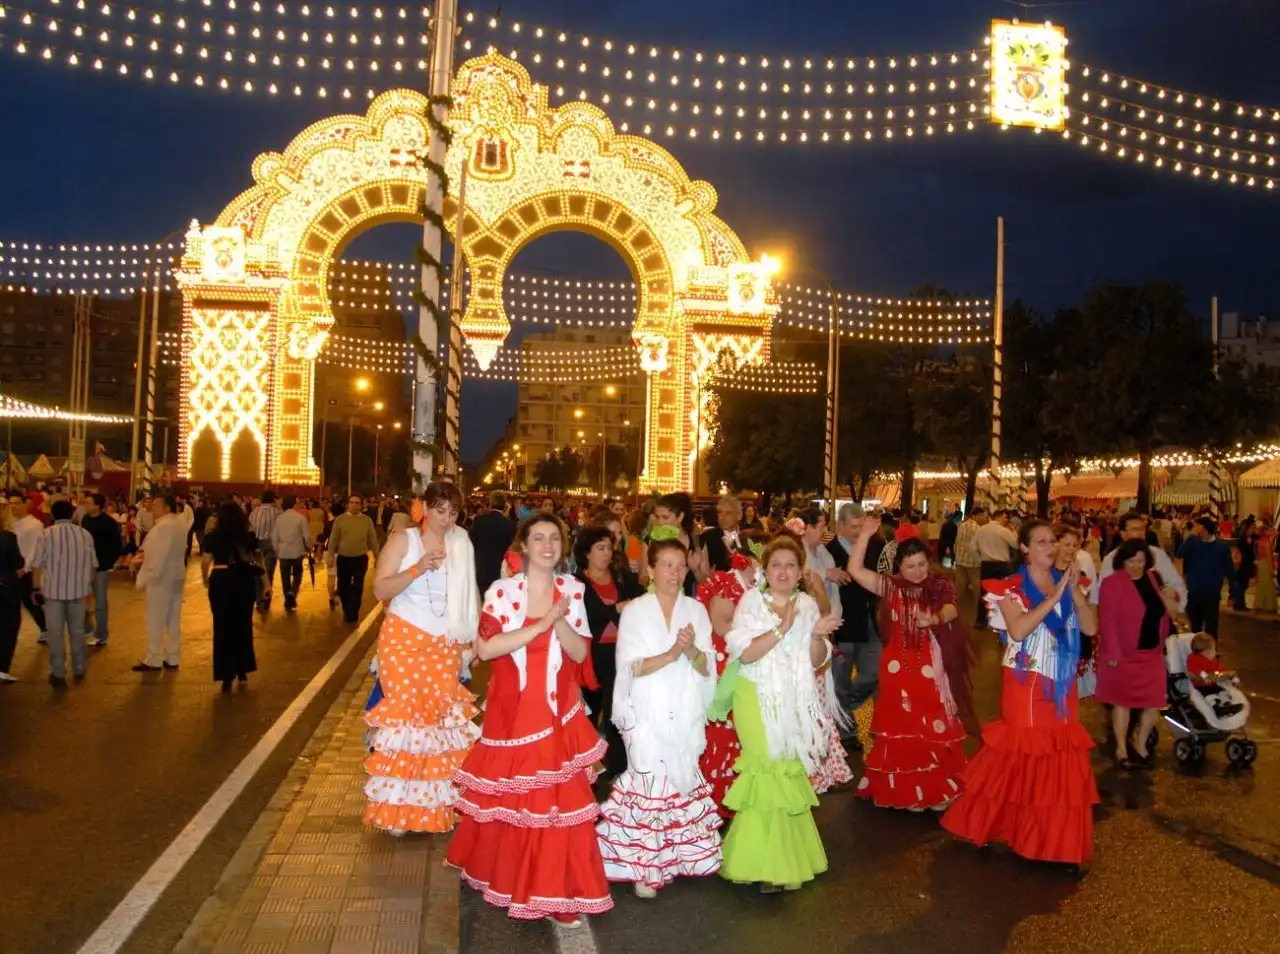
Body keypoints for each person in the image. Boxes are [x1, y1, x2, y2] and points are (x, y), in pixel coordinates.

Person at [446, 513, 612, 928]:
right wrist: (540, 624)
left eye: (554, 538)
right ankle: (514, 881)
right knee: (519, 806)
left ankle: (555, 890)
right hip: (514, 714)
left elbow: (578, 654)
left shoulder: (573, 590)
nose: (547, 545)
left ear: (563, 546)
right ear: (524, 544)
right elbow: (485, 648)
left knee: (560, 807)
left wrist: (559, 621)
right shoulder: (502, 593)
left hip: (559, 715)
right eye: (538, 537)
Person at [941, 519, 1099, 871]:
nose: (1050, 547)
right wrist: (1053, 599)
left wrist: (1071, 592)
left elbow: (1090, 628)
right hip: (1026, 684)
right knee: (1027, 756)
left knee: (1061, 757)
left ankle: (1055, 841)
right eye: (1040, 541)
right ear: (1024, 548)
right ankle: (1016, 830)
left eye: (1052, 541)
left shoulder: (1070, 583)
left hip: (1061, 683)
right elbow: (1018, 627)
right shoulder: (1009, 587)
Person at [596, 538, 722, 899]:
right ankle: (643, 866)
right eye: (666, 564)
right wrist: (671, 654)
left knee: (678, 779)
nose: (675, 572)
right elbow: (629, 666)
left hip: (684, 708)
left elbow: (706, 666)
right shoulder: (635, 610)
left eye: (680, 565)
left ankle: (679, 857)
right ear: (650, 570)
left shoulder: (697, 610)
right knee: (648, 781)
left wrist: (692, 650)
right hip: (645, 709)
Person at [719, 536, 842, 893]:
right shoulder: (750, 603)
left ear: (800, 570)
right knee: (766, 766)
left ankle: (782, 858)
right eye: (776, 565)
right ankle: (764, 864)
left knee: (784, 770)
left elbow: (815, 661)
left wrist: (817, 636)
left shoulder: (806, 604)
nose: (783, 571)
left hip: (792, 700)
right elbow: (747, 654)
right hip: (754, 697)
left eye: (790, 565)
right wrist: (782, 628)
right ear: (765, 570)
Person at [365, 481, 480, 834]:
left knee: (437, 725)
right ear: (425, 508)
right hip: (402, 642)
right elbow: (380, 589)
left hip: (444, 643)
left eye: (454, 512)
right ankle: (397, 811)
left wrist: (473, 639)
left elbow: (470, 592)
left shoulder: (461, 543)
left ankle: (431, 807)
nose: (447, 519)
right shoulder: (405, 540)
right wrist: (418, 568)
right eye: (440, 510)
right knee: (406, 725)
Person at [843, 515, 973, 811]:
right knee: (901, 725)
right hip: (896, 668)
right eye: (910, 566)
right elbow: (854, 569)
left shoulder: (939, 585)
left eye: (922, 565)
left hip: (929, 665)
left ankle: (934, 785)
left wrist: (935, 618)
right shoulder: (890, 587)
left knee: (930, 723)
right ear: (899, 567)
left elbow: (953, 609)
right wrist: (864, 535)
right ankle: (906, 787)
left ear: (930, 561)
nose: (917, 572)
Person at [1097, 539, 1180, 770]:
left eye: (1141, 560)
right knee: (1121, 702)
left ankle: (1141, 744)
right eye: (1131, 561)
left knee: (1155, 702)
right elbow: (1107, 619)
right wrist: (1112, 650)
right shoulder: (1112, 583)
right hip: (1124, 653)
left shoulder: (1155, 579)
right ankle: (1121, 748)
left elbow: (1171, 606)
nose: (1136, 565)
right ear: (1122, 561)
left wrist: (1173, 596)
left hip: (1151, 652)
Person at [575, 525, 645, 787]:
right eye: (600, 548)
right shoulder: (578, 583)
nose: (606, 553)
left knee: (615, 709)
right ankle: (586, 764)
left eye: (609, 548)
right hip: (590, 656)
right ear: (586, 552)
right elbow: (590, 616)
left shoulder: (621, 577)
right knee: (587, 714)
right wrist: (617, 608)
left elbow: (641, 598)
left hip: (621, 653)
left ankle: (618, 764)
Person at [695, 550, 756, 817]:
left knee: (741, 733)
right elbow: (721, 626)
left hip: (743, 660)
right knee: (722, 732)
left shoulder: (756, 588)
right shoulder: (725, 584)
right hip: (724, 662)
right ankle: (715, 801)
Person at [826, 503, 884, 750]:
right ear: (840, 525)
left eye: (862, 527)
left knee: (873, 674)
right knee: (840, 680)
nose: (859, 531)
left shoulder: (874, 546)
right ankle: (846, 730)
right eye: (854, 527)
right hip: (842, 627)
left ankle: (847, 706)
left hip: (870, 622)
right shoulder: (828, 552)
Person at [28, 498, 97, 689]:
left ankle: (58, 673)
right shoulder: (85, 535)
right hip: (78, 593)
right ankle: (79, 668)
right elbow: (92, 566)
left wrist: (35, 588)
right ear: (71, 514)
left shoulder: (46, 535)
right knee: (77, 632)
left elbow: (36, 565)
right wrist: (87, 586)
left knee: (56, 634)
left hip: (53, 593)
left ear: (53, 515)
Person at [201, 503, 260, 692]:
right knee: (243, 625)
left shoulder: (213, 537)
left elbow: (205, 561)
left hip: (220, 580)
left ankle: (225, 674)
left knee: (222, 626)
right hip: (243, 581)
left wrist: (205, 579)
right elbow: (255, 559)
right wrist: (265, 583)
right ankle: (242, 668)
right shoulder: (246, 536)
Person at [131, 495, 187, 673]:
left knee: (156, 618)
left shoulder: (163, 527)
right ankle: (173, 656)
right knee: (173, 618)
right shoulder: (179, 524)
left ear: (167, 508)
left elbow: (158, 556)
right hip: (176, 576)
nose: (151, 509)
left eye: (156, 506)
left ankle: (154, 657)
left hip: (161, 577)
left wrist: (147, 574)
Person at [327, 494, 380, 623]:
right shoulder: (340, 520)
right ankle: (346, 607)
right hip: (343, 557)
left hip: (360, 558)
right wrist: (330, 556)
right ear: (348, 504)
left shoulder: (366, 520)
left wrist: (378, 556)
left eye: (357, 503)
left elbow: (373, 539)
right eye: (351, 503)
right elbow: (333, 539)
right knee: (343, 586)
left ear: (361, 505)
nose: (354, 505)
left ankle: (353, 612)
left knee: (357, 586)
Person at [1177, 517, 1234, 638]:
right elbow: (1179, 553)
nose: (1195, 529)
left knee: (1211, 626)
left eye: (1198, 526)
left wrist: (1232, 593)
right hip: (1194, 592)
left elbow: (1229, 570)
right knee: (1194, 625)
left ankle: (1210, 652)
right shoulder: (1193, 543)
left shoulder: (1221, 547)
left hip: (1212, 592)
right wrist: (1191, 536)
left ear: (1204, 529)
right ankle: (1193, 651)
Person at [81, 493, 122, 648]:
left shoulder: (109, 522)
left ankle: (101, 634)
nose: (86, 504)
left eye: (89, 502)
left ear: (98, 505)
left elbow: (117, 545)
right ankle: (88, 630)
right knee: (81, 600)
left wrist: (107, 562)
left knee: (100, 602)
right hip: (85, 566)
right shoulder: (86, 520)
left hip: (101, 568)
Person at [8, 494, 47, 642]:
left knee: (30, 602)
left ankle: (45, 628)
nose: (13, 507)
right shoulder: (9, 522)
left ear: (26, 504)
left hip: (24, 569)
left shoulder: (34, 524)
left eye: (16, 503)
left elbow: (34, 548)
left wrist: (25, 568)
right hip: (8, 568)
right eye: (10, 504)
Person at [973, 510, 1017, 628]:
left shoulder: (981, 530)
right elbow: (1016, 544)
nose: (1006, 520)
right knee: (1005, 593)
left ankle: (981, 621)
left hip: (987, 565)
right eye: (1005, 517)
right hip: (1003, 566)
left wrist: (979, 560)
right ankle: (1004, 620)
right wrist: (1013, 530)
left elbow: (972, 547)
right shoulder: (1004, 531)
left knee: (984, 593)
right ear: (999, 517)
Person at [1185, 633, 1244, 718]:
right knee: (1210, 695)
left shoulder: (1212, 660)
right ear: (1207, 652)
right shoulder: (1193, 658)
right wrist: (1205, 676)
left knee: (1221, 691)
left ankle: (1227, 706)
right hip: (1201, 685)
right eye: (1214, 649)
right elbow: (1196, 670)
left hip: (1212, 682)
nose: (1215, 652)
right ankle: (1217, 708)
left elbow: (1220, 669)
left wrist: (1230, 675)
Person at [470, 490, 517, 596]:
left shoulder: (479, 521)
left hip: (481, 569)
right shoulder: (509, 524)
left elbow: (472, 543)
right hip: (500, 571)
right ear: (505, 504)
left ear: (490, 502)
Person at [271, 495, 311, 612]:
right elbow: (306, 536)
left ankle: (287, 598)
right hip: (297, 552)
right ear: (294, 504)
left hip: (283, 552)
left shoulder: (279, 519)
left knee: (285, 576)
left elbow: (274, 537)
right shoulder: (300, 518)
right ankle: (292, 593)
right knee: (297, 574)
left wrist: (277, 550)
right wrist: (309, 547)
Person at [0, 514, 25, 683]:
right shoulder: (8, 538)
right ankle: (2, 668)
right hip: (7, 587)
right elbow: (18, 562)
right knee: (9, 626)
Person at [249, 490, 281, 610]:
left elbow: (250, 529)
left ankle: (258, 599)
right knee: (269, 573)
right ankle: (266, 598)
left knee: (258, 573)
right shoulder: (278, 512)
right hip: (272, 545)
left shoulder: (254, 512)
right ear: (273, 499)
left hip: (257, 545)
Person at [700, 494, 745, 573]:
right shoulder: (707, 538)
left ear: (739, 515)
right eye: (720, 512)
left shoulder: (749, 537)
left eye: (728, 513)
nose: (722, 517)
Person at [952, 508, 986, 609]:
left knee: (959, 589)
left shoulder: (961, 525)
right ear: (975, 516)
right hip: (973, 563)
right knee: (977, 591)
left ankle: (955, 610)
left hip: (960, 561)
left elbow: (957, 542)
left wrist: (956, 554)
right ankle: (977, 614)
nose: (983, 518)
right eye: (981, 516)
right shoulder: (979, 529)